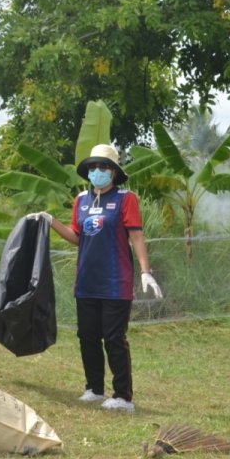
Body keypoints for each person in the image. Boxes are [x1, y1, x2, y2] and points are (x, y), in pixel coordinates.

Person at [34, 144, 161, 412]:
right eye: (93, 167)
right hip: (87, 282)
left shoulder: (126, 199)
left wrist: (145, 271)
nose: (97, 171)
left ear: (114, 172)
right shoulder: (81, 200)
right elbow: (77, 238)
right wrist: (51, 221)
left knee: (114, 338)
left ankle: (123, 396)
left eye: (103, 167)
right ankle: (94, 389)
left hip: (116, 282)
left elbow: (136, 236)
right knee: (87, 336)